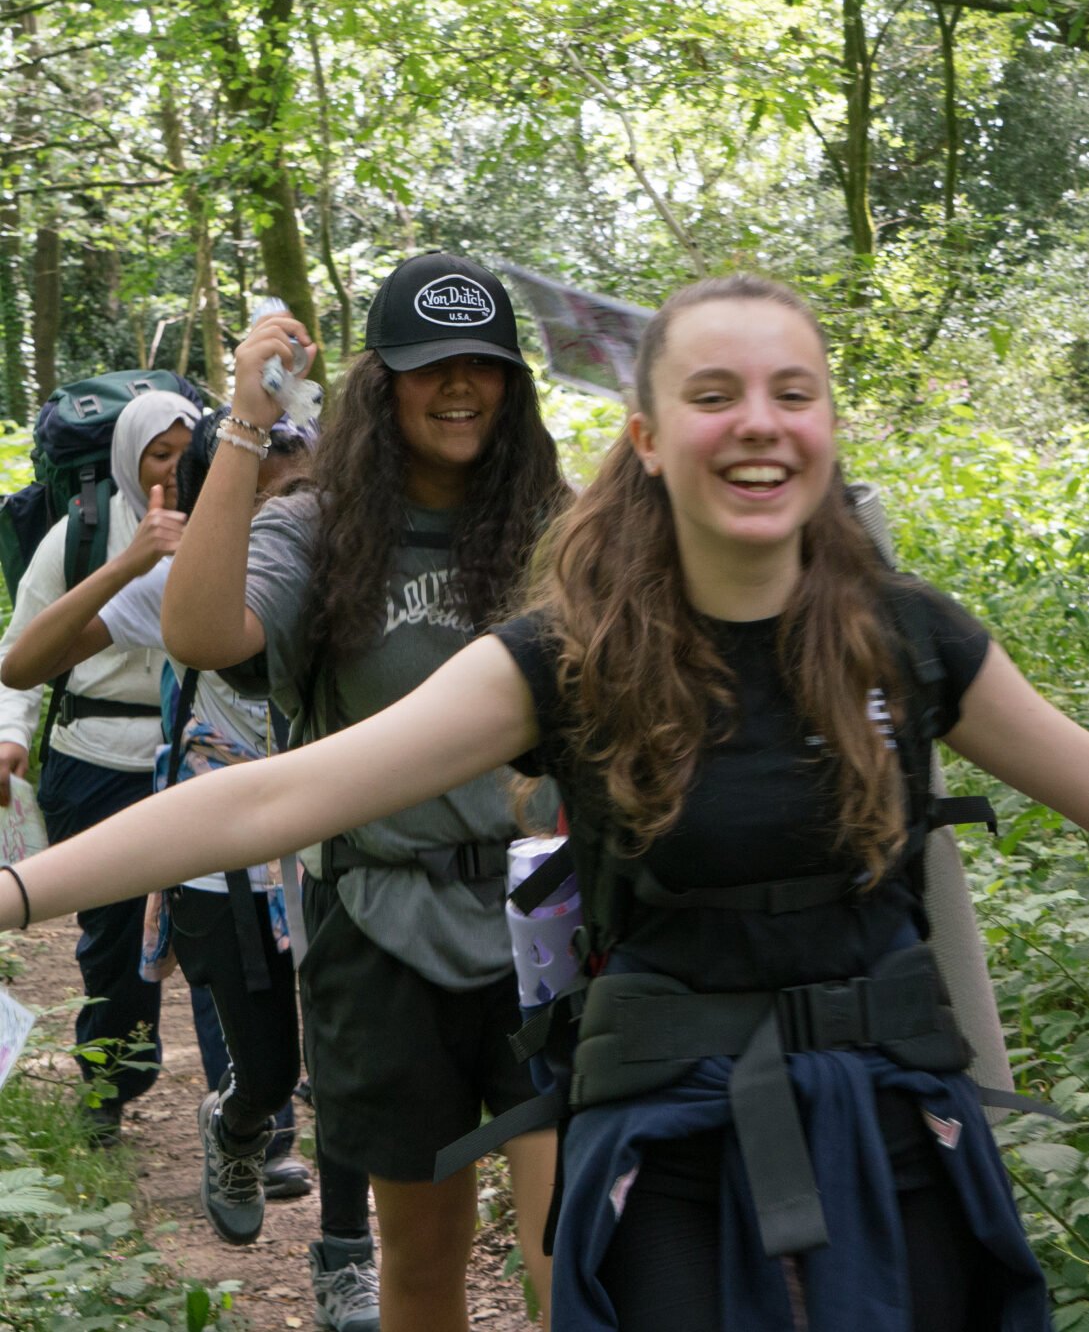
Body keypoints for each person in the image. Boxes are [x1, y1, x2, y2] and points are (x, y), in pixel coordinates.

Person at [2, 272, 1082, 1331]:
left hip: (893, 1144)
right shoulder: (575, 652)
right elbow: (269, 798)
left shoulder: (907, 637)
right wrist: (15, 890)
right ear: (648, 437)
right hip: (662, 1144)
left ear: (830, 422)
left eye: (793, 393)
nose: (759, 423)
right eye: (713, 395)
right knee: (435, 1249)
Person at [159, 254, 568, 1332]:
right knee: (423, 1260)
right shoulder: (321, 528)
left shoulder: (558, 530)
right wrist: (245, 427)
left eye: (486, 364)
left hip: (544, 926)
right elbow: (200, 634)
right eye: (432, 367)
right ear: (381, 383)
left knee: (565, 1253)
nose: (461, 387)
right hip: (379, 927)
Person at [2, 407, 315, 1244]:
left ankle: (331, 1229)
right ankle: (180, 1107)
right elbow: (22, 660)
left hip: (316, 835)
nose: (290, 513)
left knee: (334, 1056)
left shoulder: (331, 565)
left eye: (306, 494)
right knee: (148, 977)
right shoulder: (137, 564)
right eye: (159, 457)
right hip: (177, 818)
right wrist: (133, 560)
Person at [0, 389, 198, 1144]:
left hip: (189, 756)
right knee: (111, 935)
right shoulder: (79, 534)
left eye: (187, 454)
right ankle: (109, 1084)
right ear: (127, 459)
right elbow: (20, 649)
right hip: (93, 759)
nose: (174, 472)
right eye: (159, 455)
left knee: (215, 926)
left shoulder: (222, 529)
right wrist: (10, 735)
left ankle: (253, 1105)